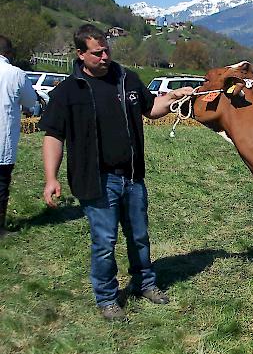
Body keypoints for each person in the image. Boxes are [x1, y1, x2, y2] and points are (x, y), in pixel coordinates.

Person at [38, 24, 194, 321]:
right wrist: (51, 178)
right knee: (105, 242)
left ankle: (144, 283)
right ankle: (107, 298)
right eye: (97, 53)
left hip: (132, 176)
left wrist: (175, 97)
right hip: (96, 181)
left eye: (107, 49)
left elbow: (151, 108)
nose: (105, 56)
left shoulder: (127, 79)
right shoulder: (69, 91)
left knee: (139, 236)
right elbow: (53, 136)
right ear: (80, 54)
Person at [0, 35, 38, 237]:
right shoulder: (14, 73)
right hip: (2, 136)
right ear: (9, 53)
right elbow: (30, 100)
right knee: (1, 183)